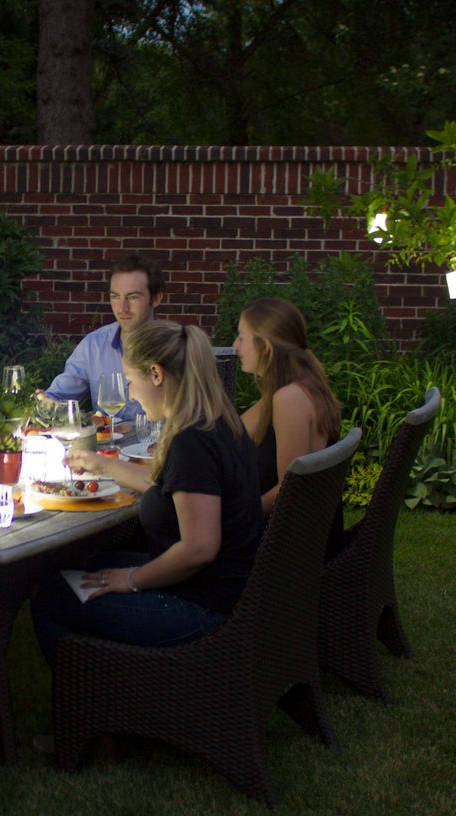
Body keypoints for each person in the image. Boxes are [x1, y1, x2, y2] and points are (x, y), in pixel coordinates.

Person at [31, 320, 263, 667]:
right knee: (84, 566)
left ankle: (100, 691)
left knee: (51, 596)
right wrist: (102, 464)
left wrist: (132, 580)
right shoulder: (215, 421)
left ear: (156, 374)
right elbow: (168, 487)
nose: (130, 395)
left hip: (205, 609)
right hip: (224, 589)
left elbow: (199, 549)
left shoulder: (192, 442)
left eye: (129, 381)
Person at [232, 297, 346, 554]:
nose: (235, 345)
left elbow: (289, 491)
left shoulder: (290, 398)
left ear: (266, 347)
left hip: (284, 553)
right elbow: (234, 432)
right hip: (297, 540)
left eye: (241, 337)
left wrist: (236, 517)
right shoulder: (291, 386)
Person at [41, 251, 166, 423]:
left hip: (161, 441)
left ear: (156, 298)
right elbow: (58, 397)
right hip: (105, 441)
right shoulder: (94, 345)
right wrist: (46, 403)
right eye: (115, 297)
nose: (122, 308)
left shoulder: (177, 347)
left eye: (133, 297)